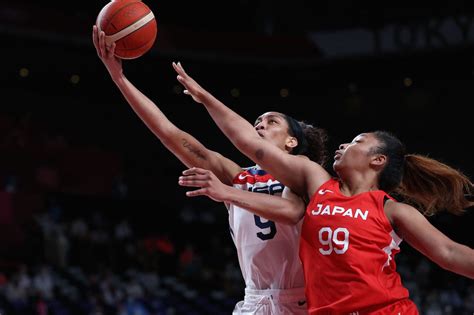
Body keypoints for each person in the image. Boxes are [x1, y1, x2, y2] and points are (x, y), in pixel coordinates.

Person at [174, 62, 474, 314]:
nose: (344, 144)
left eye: (358, 141)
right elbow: (250, 144)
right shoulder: (319, 186)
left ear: (378, 160)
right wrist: (205, 98)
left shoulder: (392, 210)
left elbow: (449, 252)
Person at [92, 25, 330, 314]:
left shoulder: (303, 171)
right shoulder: (238, 175)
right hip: (254, 300)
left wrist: (226, 192)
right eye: (257, 120)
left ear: (292, 142)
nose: (260, 125)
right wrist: (119, 78)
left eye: (271, 122)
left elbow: (291, 212)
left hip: (302, 300)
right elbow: (170, 134)